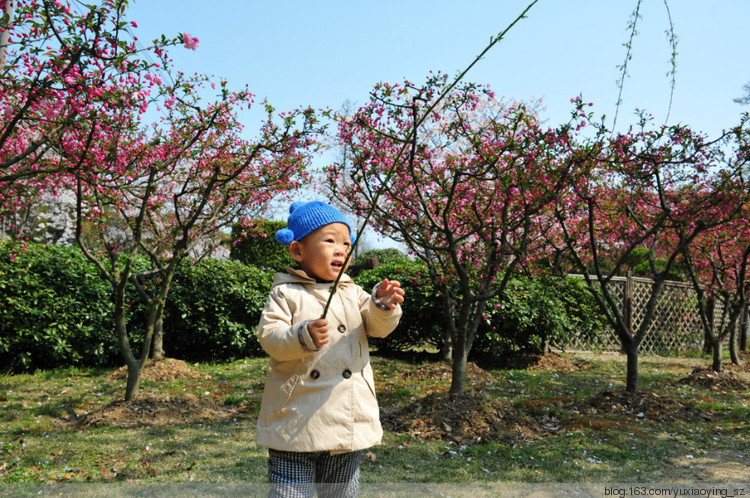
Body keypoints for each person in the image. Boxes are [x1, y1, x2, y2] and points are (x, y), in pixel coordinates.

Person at [256, 200, 405, 498]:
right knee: (290, 492)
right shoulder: (286, 293)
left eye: (347, 244)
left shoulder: (355, 293)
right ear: (298, 251)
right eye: (330, 241)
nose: (341, 249)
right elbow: (270, 337)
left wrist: (383, 306)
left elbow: (378, 328)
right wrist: (302, 335)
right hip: (295, 419)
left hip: (347, 417)